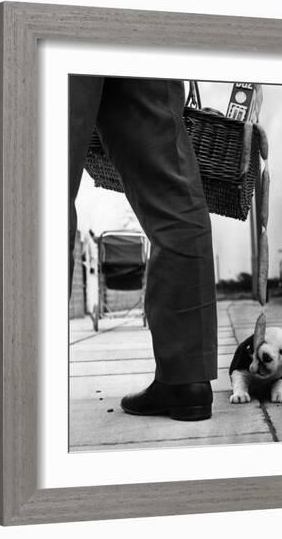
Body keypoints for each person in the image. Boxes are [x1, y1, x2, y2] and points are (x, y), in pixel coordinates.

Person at [69, 76, 217, 421]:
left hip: (58, 25)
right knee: (173, 194)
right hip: (141, 31)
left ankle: (18, 381)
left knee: (34, 182)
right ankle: (186, 380)